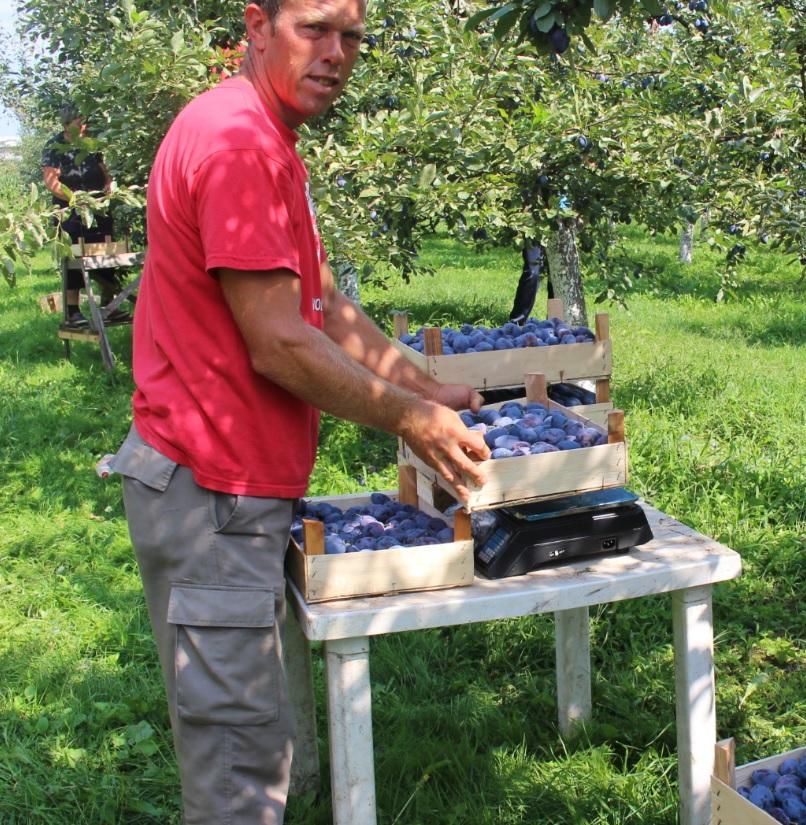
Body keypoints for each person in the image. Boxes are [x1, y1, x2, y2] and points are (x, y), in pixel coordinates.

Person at [106, 1, 489, 822]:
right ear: (256, 24)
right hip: (211, 490)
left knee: (253, 734)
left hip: (226, 484)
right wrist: (407, 420)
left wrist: (422, 385)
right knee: (238, 773)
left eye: (351, 37)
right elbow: (279, 343)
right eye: (314, 29)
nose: (335, 54)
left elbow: (314, 299)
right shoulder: (241, 144)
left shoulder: (259, 133)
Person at [41, 105, 129, 328]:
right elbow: (51, 183)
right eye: (79, 122)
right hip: (70, 213)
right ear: (67, 123)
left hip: (98, 208)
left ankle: (111, 307)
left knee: (107, 254)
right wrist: (74, 199)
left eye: (85, 121)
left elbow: (103, 169)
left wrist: (109, 184)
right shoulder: (55, 146)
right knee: (74, 259)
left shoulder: (90, 143)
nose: (84, 126)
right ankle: (72, 312)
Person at [509, 241, 553, 323]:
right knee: (532, 270)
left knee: (557, 273)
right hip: (535, 232)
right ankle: (518, 321)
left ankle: (555, 320)